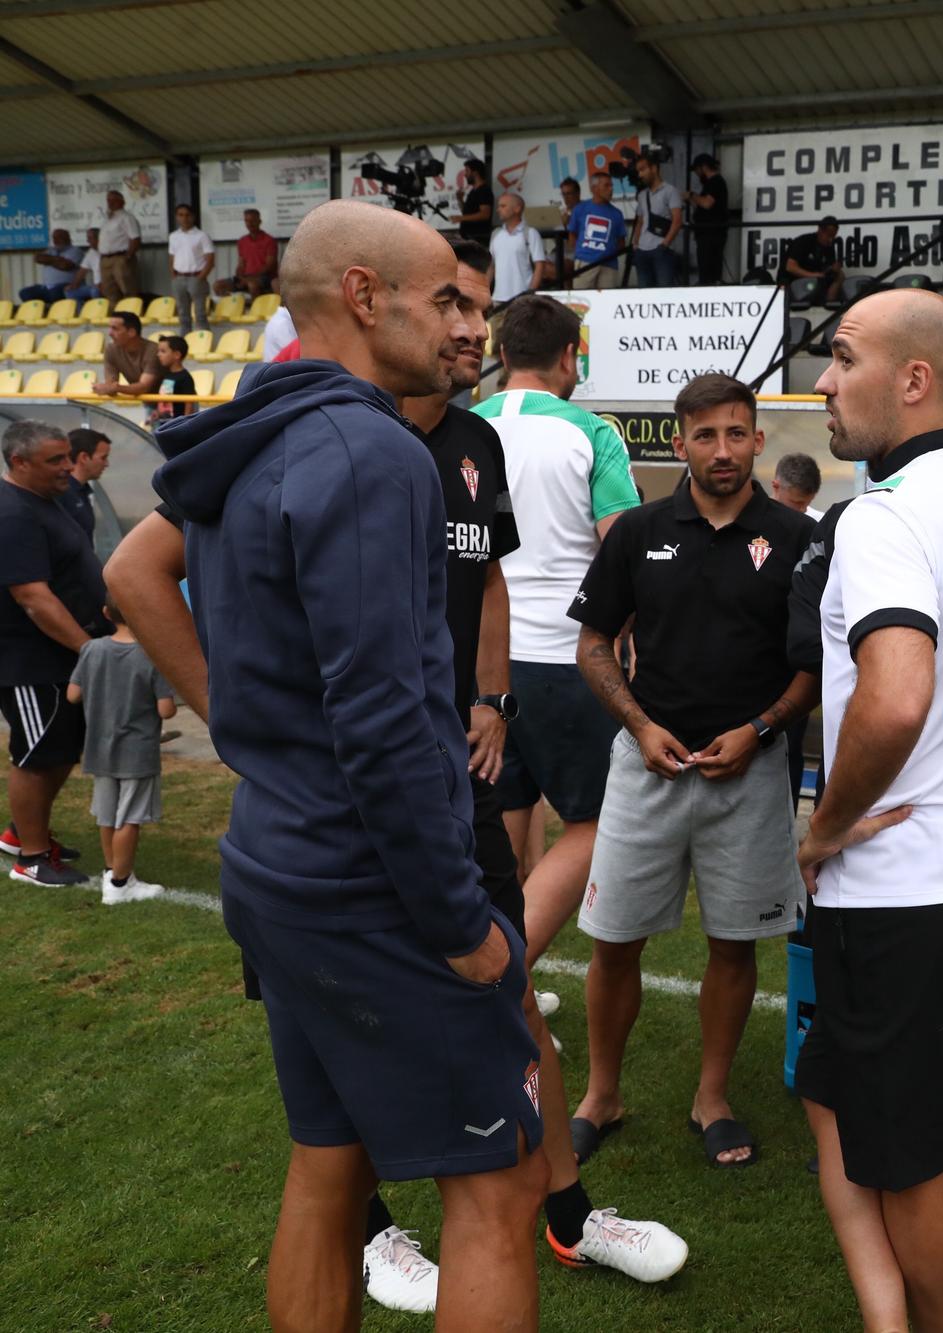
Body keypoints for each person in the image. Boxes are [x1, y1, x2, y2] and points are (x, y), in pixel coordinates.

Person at [148, 199, 546, 1332]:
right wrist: (460, 924)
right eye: (443, 298)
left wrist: (254, 739)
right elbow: (385, 721)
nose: (461, 320)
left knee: (329, 1167)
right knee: (499, 1184)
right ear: (366, 298)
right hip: (372, 888)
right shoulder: (371, 448)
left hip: (276, 861)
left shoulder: (251, 427)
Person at [355, 238, 686, 1310]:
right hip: (375, 788)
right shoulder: (327, 438)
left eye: (478, 316)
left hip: (477, 726)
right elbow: (152, 573)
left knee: (501, 971)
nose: (465, 334)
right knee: (370, 1024)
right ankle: (369, 1226)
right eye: (448, 307)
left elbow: (488, 574)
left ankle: (571, 1216)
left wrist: (489, 697)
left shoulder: (473, 438)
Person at [791, 288, 943, 1331]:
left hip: (898, 887)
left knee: (906, 1153)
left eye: (842, 358)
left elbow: (895, 699)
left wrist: (823, 824)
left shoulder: (884, 518)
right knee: (828, 1088)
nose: (822, 381)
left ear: (912, 381)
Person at [567, 373, 816, 1170]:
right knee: (612, 940)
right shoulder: (637, 532)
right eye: (705, 435)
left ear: (758, 440)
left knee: (735, 944)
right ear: (678, 443)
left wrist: (758, 729)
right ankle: (602, 1093)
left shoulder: (797, 538)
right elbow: (594, 643)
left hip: (751, 771)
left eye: (736, 434)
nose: (722, 450)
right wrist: (639, 725)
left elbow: (816, 665)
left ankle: (713, 1096)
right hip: (649, 767)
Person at [474, 295, 641, 977]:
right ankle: (503, 979)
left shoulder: (460, 427)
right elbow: (621, 551)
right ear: (571, 357)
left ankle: (500, 985)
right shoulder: (589, 433)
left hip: (477, 660)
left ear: (503, 354)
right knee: (596, 824)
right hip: (560, 658)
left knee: (505, 821)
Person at [0, 420, 101, 888]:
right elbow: (32, 596)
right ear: (19, 462)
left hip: (62, 656)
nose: (67, 466)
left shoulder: (46, 499)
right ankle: (33, 859)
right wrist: (89, 649)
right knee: (36, 754)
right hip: (30, 658)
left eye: (66, 457)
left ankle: (23, 833)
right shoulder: (13, 513)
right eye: (54, 460)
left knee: (60, 748)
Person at [65, 597, 173, 903]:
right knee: (130, 817)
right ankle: (120, 883)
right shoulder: (152, 656)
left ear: (105, 613)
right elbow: (166, 710)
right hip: (137, 752)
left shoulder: (91, 650)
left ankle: (112, 872)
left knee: (107, 815)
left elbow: (73, 695)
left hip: (99, 748)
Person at [632, 150, 685, 287]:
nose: (640, 174)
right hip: (642, 251)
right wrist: (635, 244)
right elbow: (640, 221)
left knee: (664, 293)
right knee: (644, 293)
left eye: (642, 170)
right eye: (638, 171)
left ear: (654, 168)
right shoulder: (642, 195)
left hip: (661, 250)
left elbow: (677, 220)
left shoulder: (670, 191)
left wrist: (665, 245)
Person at [567, 172, 627, 290]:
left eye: (611, 186)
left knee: (608, 304)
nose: (611, 189)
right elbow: (572, 235)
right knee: (581, 302)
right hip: (585, 264)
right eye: (606, 185)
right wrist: (582, 254)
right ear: (594, 188)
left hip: (609, 265)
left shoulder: (617, 214)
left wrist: (608, 253)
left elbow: (621, 242)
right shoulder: (580, 208)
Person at [491, 192, 552, 302]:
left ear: (517, 209)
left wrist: (530, 293)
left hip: (522, 299)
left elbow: (540, 265)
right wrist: (486, 292)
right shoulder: (496, 234)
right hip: (497, 298)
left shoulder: (530, 233)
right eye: (499, 206)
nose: (498, 209)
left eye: (503, 206)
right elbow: (490, 266)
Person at [168, 205, 217, 334]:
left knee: (200, 313)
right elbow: (172, 257)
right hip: (179, 277)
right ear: (176, 217)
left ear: (193, 217)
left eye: (187, 215)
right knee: (183, 313)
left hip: (196, 277)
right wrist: (173, 275)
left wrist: (201, 277)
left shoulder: (201, 236)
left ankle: (203, 341)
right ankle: (184, 342)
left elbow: (210, 259)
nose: (184, 218)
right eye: (180, 215)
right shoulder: (173, 236)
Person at [93, 312, 162, 399]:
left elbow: (144, 387)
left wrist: (115, 387)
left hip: (171, 401)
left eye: (115, 329)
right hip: (151, 401)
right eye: (110, 328)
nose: (110, 333)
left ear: (132, 332)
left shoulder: (153, 350)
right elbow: (110, 385)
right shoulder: (111, 350)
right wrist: (107, 388)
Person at [217, 208, 280, 297]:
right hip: (246, 277)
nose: (250, 224)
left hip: (264, 278)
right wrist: (240, 277)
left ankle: (256, 310)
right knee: (218, 285)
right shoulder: (242, 241)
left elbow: (269, 266)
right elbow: (241, 264)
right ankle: (235, 308)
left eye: (253, 220)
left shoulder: (269, 240)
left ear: (259, 221)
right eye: (247, 221)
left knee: (252, 285)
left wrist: (248, 279)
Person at [688, 154, 730, 286]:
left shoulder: (715, 182)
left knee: (709, 270)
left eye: (697, 170)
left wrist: (691, 195)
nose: (696, 174)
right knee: (706, 269)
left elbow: (707, 203)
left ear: (704, 167)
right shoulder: (711, 184)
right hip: (706, 233)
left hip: (711, 234)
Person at [784, 217, 845, 306]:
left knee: (840, 274)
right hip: (794, 282)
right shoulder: (804, 241)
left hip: (816, 283)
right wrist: (814, 275)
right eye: (828, 236)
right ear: (820, 231)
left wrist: (833, 268)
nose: (830, 240)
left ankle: (829, 305)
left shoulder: (829, 248)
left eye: (833, 237)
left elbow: (827, 270)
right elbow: (790, 267)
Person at [61, 428, 111, 538]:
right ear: (84, 457)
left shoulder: (82, 491)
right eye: (103, 458)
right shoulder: (62, 493)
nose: (107, 464)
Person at [20, 229, 85, 304]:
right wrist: (57, 260)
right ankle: (41, 311)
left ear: (67, 238)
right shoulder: (51, 250)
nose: (56, 241)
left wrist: (49, 260)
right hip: (46, 287)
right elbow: (38, 258)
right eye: (54, 238)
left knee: (55, 293)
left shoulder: (75, 251)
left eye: (59, 238)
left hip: (65, 286)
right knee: (25, 293)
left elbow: (65, 266)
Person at [98, 190, 141, 303]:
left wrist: (128, 256)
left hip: (120, 258)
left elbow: (135, 238)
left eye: (114, 200)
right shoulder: (107, 219)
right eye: (108, 200)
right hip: (105, 259)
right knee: (109, 292)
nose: (110, 203)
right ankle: (115, 316)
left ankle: (132, 315)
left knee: (127, 289)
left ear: (122, 202)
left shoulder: (127, 217)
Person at [152, 336, 197, 423]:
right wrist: (158, 412)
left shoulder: (185, 377)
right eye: (158, 351)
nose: (158, 354)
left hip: (176, 424)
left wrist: (185, 424)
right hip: (163, 422)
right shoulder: (166, 375)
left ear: (177, 355)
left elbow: (189, 405)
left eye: (163, 351)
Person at [454, 157, 494, 246]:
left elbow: (485, 214)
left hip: (478, 239)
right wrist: (460, 200)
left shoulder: (484, 191)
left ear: (475, 172)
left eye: (467, 171)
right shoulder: (473, 191)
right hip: (469, 238)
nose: (465, 175)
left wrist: (460, 218)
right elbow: (467, 213)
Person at [772, 451, 823, 518]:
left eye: (808, 503)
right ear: (776, 487)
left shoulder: (820, 522)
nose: (804, 510)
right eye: (797, 503)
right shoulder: (755, 521)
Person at [69, 227, 104, 301]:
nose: (88, 241)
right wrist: (74, 285)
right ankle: (82, 312)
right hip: (95, 286)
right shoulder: (91, 252)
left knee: (95, 291)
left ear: (99, 239)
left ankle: (98, 312)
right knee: (70, 292)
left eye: (90, 238)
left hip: (106, 286)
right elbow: (82, 271)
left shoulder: (108, 250)